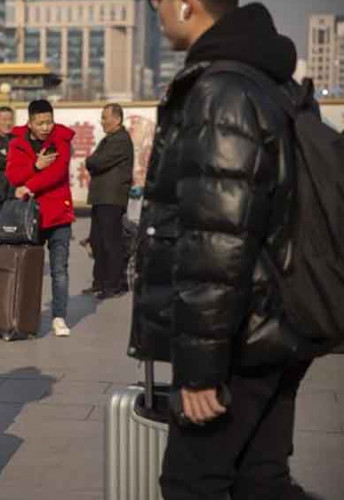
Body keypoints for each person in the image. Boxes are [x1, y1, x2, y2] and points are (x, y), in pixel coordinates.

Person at [133, 1, 317, 499]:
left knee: (192, 484)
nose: (158, 13)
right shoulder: (269, 81)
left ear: (187, 4)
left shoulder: (221, 91)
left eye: (159, 4)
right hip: (278, 322)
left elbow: (217, 240)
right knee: (261, 480)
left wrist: (200, 372)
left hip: (241, 336)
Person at [6, 99, 75, 338]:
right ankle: (26, 319)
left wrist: (29, 186)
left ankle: (59, 316)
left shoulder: (62, 140)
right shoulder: (17, 144)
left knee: (59, 269)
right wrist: (35, 166)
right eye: (40, 122)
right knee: (28, 270)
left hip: (59, 216)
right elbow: (14, 176)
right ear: (30, 122)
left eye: (49, 121)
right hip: (30, 217)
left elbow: (58, 172)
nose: (46, 127)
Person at [84, 103, 134, 300]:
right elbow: (95, 161)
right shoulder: (110, 139)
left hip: (112, 198)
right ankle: (100, 282)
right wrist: (92, 161)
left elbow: (97, 162)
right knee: (97, 241)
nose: (102, 121)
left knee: (110, 243)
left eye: (105, 118)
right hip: (102, 197)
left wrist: (91, 161)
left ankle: (113, 285)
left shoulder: (120, 140)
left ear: (117, 119)